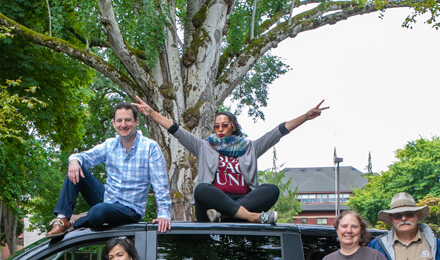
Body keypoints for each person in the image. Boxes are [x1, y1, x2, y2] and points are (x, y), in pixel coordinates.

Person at [133, 96, 327, 223]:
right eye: (216, 126)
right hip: (210, 208)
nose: (220, 129)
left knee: (272, 190)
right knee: (201, 189)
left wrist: (305, 117)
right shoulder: (204, 146)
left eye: (224, 125)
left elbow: (277, 132)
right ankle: (251, 217)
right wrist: (152, 114)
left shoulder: (249, 147)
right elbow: (176, 130)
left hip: (241, 201)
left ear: (233, 126)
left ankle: (227, 215)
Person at [45, 102, 172, 237]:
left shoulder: (150, 147)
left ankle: (77, 221)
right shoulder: (110, 144)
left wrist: (163, 214)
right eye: (119, 121)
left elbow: (160, 185)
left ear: (136, 122)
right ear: (114, 124)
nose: (123, 125)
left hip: (130, 209)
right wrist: (74, 161)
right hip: (107, 199)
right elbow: (82, 157)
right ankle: (62, 218)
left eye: (128, 120)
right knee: (77, 167)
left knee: (99, 211)